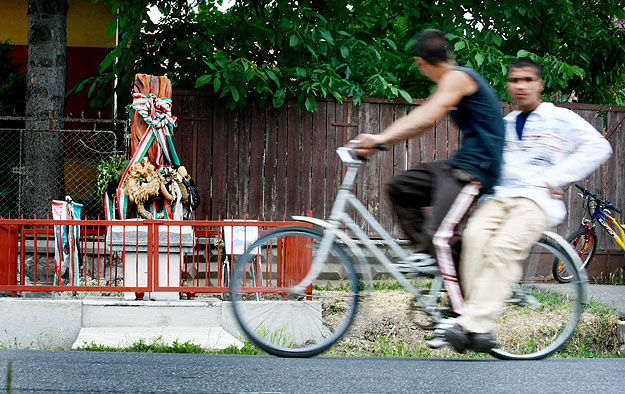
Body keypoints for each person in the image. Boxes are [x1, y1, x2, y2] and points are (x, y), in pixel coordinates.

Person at [443, 57, 613, 352]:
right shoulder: (506, 124)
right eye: (514, 81)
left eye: (527, 80)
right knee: (473, 238)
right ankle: (472, 319)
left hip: (535, 200)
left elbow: (599, 147)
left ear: (540, 85)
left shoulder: (560, 118)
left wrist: (557, 177)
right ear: (508, 86)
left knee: (502, 248)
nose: (521, 86)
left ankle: (475, 324)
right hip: (499, 198)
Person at [354, 29, 505, 316]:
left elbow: (428, 116)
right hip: (457, 166)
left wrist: (378, 139)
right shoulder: (457, 78)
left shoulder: (458, 77)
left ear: (421, 62)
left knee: (439, 235)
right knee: (400, 187)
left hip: (475, 172)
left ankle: (464, 317)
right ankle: (434, 257)